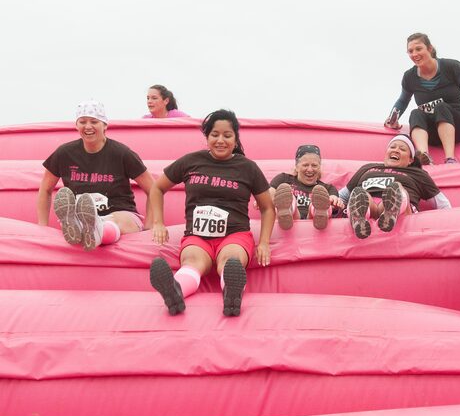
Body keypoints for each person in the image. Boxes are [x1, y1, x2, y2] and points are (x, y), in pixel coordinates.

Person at [148, 109, 275, 317]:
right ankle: (174, 292)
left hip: (235, 234)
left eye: (227, 135)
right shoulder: (191, 161)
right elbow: (157, 188)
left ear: (236, 138)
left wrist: (264, 243)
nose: (220, 140)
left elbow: (268, 207)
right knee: (192, 260)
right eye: (214, 135)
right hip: (197, 236)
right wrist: (158, 223)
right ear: (206, 137)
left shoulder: (247, 168)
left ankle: (231, 294)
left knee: (230, 260)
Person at [36, 100, 155, 250]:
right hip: (80, 215)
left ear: (105, 125)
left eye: (94, 121)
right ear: (76, 125)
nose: (88, 126)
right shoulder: (64, 153)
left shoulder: (122, 153)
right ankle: (81, 225)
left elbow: (153, 189)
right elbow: (45, 189)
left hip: (120, 213)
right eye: (82, 122)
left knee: (116, 221)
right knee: (88, 222)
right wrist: (42, 227)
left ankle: (93, 229)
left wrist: (151, 225)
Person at [384, 32, 460, 164]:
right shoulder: (409, 77)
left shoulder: (452, 67)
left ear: (430, 48)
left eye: (418, 49)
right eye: (410, 51)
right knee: (416, 112)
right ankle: (424, 156)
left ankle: (450, 158)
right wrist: (392, 119)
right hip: (432, 133)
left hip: (457, 126)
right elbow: (402, 101)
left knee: (440, 107)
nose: (414, 54)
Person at [340, 134, 450, 239]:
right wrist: (333, 201)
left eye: (402, 149)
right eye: (392, 147)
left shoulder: (418, 174)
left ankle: (391, 210)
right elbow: (343, 195)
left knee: (396, 188)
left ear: (410, 160)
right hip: (370, 205)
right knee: (360, 193)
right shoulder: (367, 168)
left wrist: (447, 226)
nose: (396, 150)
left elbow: (442, 203)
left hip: (403, 209)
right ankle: (359, 218)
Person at [269, 144, 344, 230]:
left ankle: (316, 211)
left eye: (314, 165)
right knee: (288, 198)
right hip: (292, 220)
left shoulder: (328, 188)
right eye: (305, 165)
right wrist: (263, 200)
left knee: (319, 204)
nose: (310, 169)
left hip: (312, 223)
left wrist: (335, 202)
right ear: (297, 167)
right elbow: (269, 194)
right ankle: (288, 210)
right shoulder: (283, 179)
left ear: (319, 167)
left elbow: (333, 198)